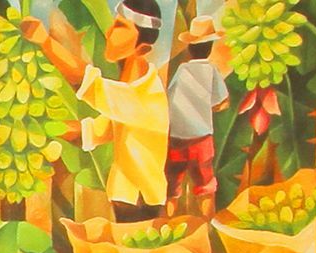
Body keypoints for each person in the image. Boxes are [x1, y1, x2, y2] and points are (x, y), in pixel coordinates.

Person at [28, 3, 173, 223]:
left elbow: (85, 82)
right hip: (127, 196)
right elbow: (98, 131)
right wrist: (45, 127)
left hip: (141, 199)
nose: (108, 32)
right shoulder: (130, 94)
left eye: (120, 27)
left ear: (142, 49)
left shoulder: (144, 96)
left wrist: (44, 41)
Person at [165, 16, 230, 214]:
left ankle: (168, 221)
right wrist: (210, 108)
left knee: (172, 187)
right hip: (201, 137)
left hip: (178, 137)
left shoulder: (182, 70)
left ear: (190, 48)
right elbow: (223, 101)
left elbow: (170, 96)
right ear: (210, 48)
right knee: (205, 185)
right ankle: (207, 224)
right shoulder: (211, 70)